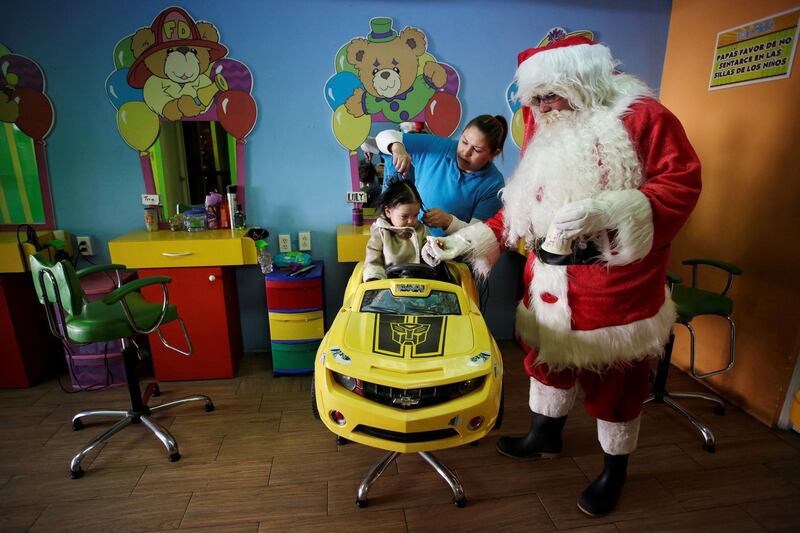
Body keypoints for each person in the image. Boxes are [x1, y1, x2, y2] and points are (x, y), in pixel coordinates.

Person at [424, 36, 701, 516]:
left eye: (548, 95)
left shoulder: (645, 117)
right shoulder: (544, 123)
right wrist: (467, 240)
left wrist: (613, 210)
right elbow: (521, 209)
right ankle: (544, 435)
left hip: (615, 287)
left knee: (617, 381)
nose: (540, 108)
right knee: (547, 360)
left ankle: (615, 471)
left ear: (582, 78)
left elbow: (681, 184)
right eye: (532, 99)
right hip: (547, 280)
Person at [376, 115, 508, 236]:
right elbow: (384, 136)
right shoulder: (437, 147)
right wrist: (397, 147)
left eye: (477, 150)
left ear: (494, 154)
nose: (466, 152)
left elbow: (479, 236)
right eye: (465, 142)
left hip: (454, 257)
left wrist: (449, 222)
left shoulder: (494, 184)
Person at [363, 180, 435, 282]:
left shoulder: (421, 230)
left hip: (418, 284)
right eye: (404, 216)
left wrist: (435, 249)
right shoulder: (381, 232)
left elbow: (429, 255)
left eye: (415, 215)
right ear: (388, 212)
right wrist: (375, 278)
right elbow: (373, 261)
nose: (411, 221)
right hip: (388, 286)